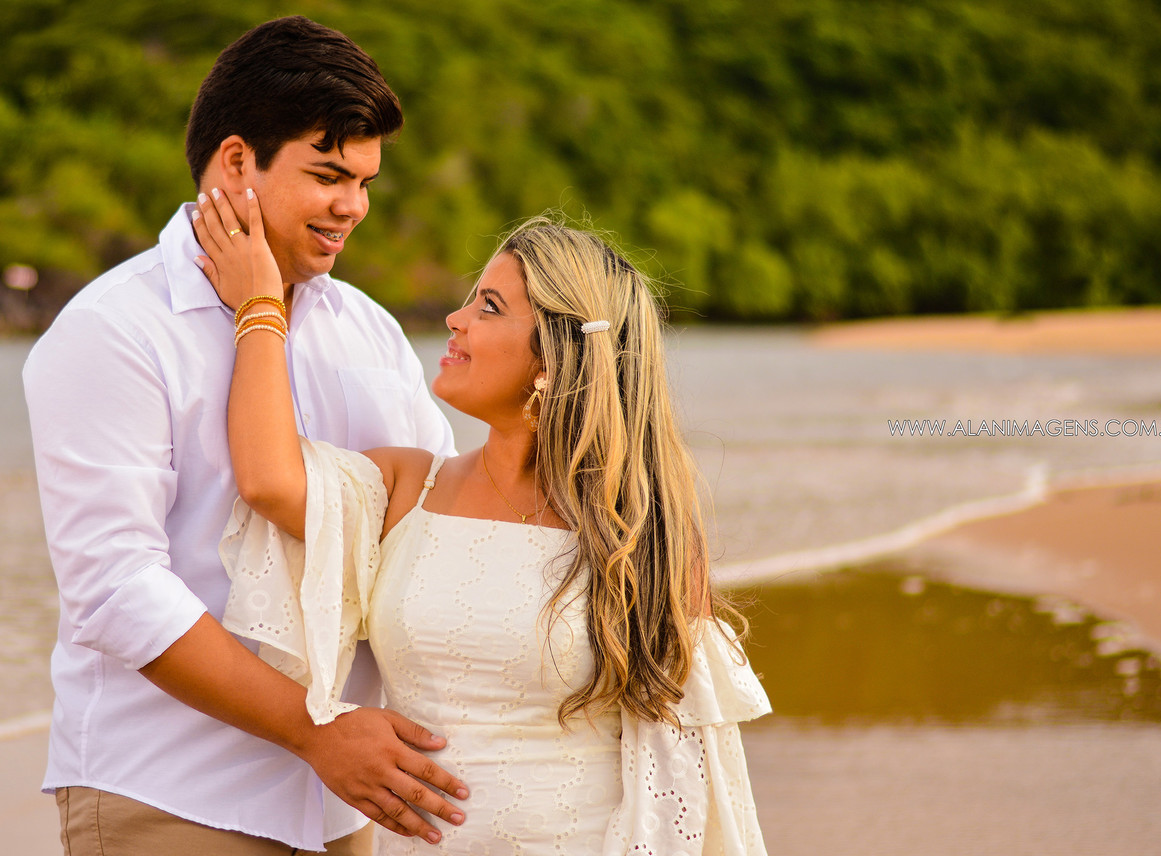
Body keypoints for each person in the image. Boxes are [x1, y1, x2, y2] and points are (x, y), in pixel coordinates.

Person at [194, 186, 771, 854]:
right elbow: (267, 478)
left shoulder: (640, 534)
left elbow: (686, 771)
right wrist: (261, 305)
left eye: (488, 307)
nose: (455, 318)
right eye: (471, 299)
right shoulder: (409, 485)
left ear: (553, 357)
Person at [23, 16, 470, 855]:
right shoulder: (113, 331)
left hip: (344, 802)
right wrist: (316, 733)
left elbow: (431, 531)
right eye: (329, 175)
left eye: (367, 183)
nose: (353, 207)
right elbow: (117, 591)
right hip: (170, 795)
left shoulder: (369, 332)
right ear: (237, 162)